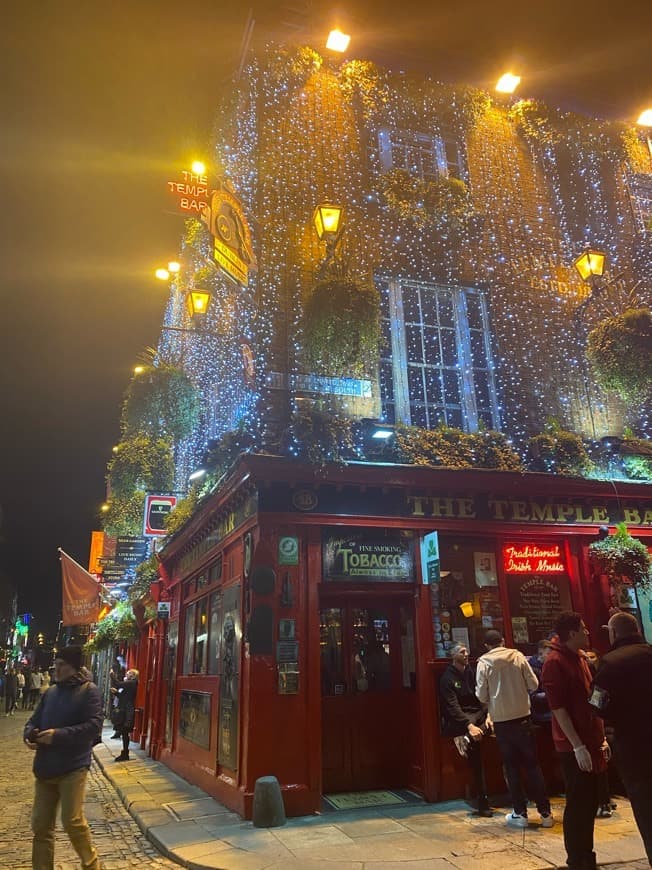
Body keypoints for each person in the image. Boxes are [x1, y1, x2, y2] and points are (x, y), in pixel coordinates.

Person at [23, 645, 103, 870]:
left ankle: (91, 864)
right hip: (45, 767)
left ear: (74, 667)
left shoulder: (89, 690)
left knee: (72, 821)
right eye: (55, 665)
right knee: (41, 826)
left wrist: (58, 735)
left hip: (73, 766)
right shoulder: (50, 693)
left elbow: (94, 727)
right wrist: (29, 733)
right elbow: (33, 720)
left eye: (61, 665)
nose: (56, 669)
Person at [542, 612, 609, 870]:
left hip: (591, 739)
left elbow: (593, 699)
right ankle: (576, 860)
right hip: (573, 745)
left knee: (591, 800)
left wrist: (601, 737)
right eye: (583, 628)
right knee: (578, 801)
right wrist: (577, 745)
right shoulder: (554, 662)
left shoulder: (580, 659)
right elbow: (558, 708)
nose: (588, 632)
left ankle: (587, 855)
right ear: (572, 633)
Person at [590, 611, 652, 865]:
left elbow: (597, 704)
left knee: (646, 805)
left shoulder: (610, 662)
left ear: (613, 634)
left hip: (633, 743)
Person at [476, 629, 553, 828]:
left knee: (511, 767)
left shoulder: (483, 663)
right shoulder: (518, 656)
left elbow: (482, 696)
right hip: (523, 718)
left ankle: (520, 813)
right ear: (503, 641)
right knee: (532, 766)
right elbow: (534, 684)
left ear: (486, 645)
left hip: (502, 721)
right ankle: (546, 814)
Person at [439, 642, 493, 817]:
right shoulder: (447, 678)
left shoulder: (472, 671)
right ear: (453, 656)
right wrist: (469, 726)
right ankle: (482, 801)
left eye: (466, 651)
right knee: (475, 752)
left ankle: (474, 735)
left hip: (477, 715)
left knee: (499, 721)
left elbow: (482, 695)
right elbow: (452, 708)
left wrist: (490, 714)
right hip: (461, 718)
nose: (466, 653)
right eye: (462, 652)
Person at [583, 649, 615, 819]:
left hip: (596, 726)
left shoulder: (598, 678)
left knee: (598, 765)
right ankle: (604, 801)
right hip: (601, 726)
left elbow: (597, 707)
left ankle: (603, 801)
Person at [110, 668, 139, 761]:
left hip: (127, 711)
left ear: (134, 676)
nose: (127, 673)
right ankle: (125, 753)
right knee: (124, 733)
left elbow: (118, 684)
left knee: (125, 732)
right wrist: (117, 693)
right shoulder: (131, 683)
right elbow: (124, 697)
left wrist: (112, 675)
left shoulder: (132, 683)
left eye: (130, 673)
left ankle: (125, 754)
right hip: (125, 709)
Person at [528, 640, 553, 726]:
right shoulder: (533, 670)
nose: (551, 656)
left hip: (551, 709)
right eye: (549, 654)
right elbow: (532, 695)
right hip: (541, 712)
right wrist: (550, 694)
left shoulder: (551, 667)